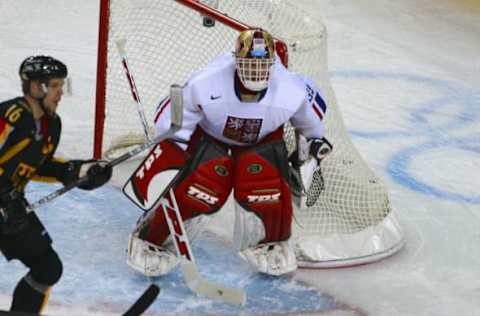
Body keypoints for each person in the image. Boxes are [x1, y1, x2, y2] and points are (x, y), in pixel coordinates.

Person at [126, 28, 332, 277]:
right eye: (249, 64)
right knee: (202, 183)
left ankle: (273, 241)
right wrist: (173, 150)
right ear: (236, 60)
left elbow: (311, 128)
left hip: (262, 140)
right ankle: (153, 235)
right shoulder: (206, 82)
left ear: (273, 65)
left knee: (266, 183)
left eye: (262, 65)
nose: (255, 72)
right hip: (212, 136)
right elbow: (176, 117)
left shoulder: (290, 89)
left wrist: (312, 148)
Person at [0, 55, 112, 315]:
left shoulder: (52, 125)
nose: (61, 93)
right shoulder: (11, 117)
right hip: (7, 203)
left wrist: (76, 172)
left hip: (11, 206)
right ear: (37, 87)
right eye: (55, 85)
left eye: (62, 85)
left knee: (47, 267)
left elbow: (37, 165)